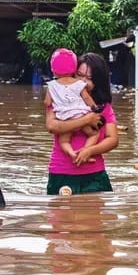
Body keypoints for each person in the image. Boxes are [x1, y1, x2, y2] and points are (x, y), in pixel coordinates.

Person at [45, 52, 119, 195]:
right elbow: (52, 126)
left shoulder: (103, 106)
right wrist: (86, 120)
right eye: (79, 75)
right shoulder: (58, 99)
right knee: (60, 217)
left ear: (99, 81)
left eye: (89, 78)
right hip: (61, 172)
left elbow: (113, 139)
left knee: (96, 217)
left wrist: (89, 151)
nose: (83, 82)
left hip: (95, 174)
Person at [44, 48, 104, 160]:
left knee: (64, 141)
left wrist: (55, 100)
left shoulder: (51, 86)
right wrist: (94, 108)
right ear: (74, 70)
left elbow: (47, 102)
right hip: (81, 114)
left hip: (64, 117)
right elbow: (86, 97)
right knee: (94, 134)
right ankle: (85, 152)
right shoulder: (79, 84)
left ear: (53, 70)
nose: (84, 80)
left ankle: (72, 154)